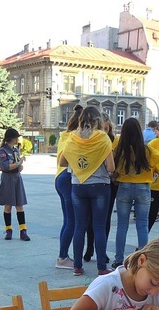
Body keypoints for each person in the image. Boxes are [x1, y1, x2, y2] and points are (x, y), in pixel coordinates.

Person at [59, 106, 115, 276]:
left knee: (79, 226)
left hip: (77, 185)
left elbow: (62, 162)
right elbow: (111, 167)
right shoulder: (103, 138)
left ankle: (77, 266)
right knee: (98, 227)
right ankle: (101, 267)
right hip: (100, 186)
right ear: (98, 120)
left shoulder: (72, 138)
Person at [111, 118, 159, 268]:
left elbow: (111, 161)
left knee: (122, 225)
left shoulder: (119, 146)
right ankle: (141, 261)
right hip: (143, 188)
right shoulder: (147, 149)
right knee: (142, 225)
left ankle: (118, 259)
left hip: (124, 187)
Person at [84, 114, 117, 264]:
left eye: (106, 128)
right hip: (95, 182)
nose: (104, 131)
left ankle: (101, 251)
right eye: (101, 128)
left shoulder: (113, 141)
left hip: (110, 183)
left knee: (105, 219)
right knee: (90, 219)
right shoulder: (90, 141)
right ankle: (90, 247)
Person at [54, 105, 84, 270]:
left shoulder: (65, 135)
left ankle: (63, 255)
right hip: (67, 178)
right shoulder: (74, 137)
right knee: (72, 220)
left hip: (60, 177)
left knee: (68, 220)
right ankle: (62, 257)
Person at [0, 128, 30, 241]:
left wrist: (20, 166)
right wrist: (18, 163)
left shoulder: (15, 150)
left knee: (20, 205)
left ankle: (23, 231)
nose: (17, 139)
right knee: (8, 206)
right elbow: (5, 167)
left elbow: (18, 167)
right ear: (11, 138)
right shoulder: (2, 151)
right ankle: (8, 230)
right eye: (16, 137)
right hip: (7, 178)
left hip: (16, 178)